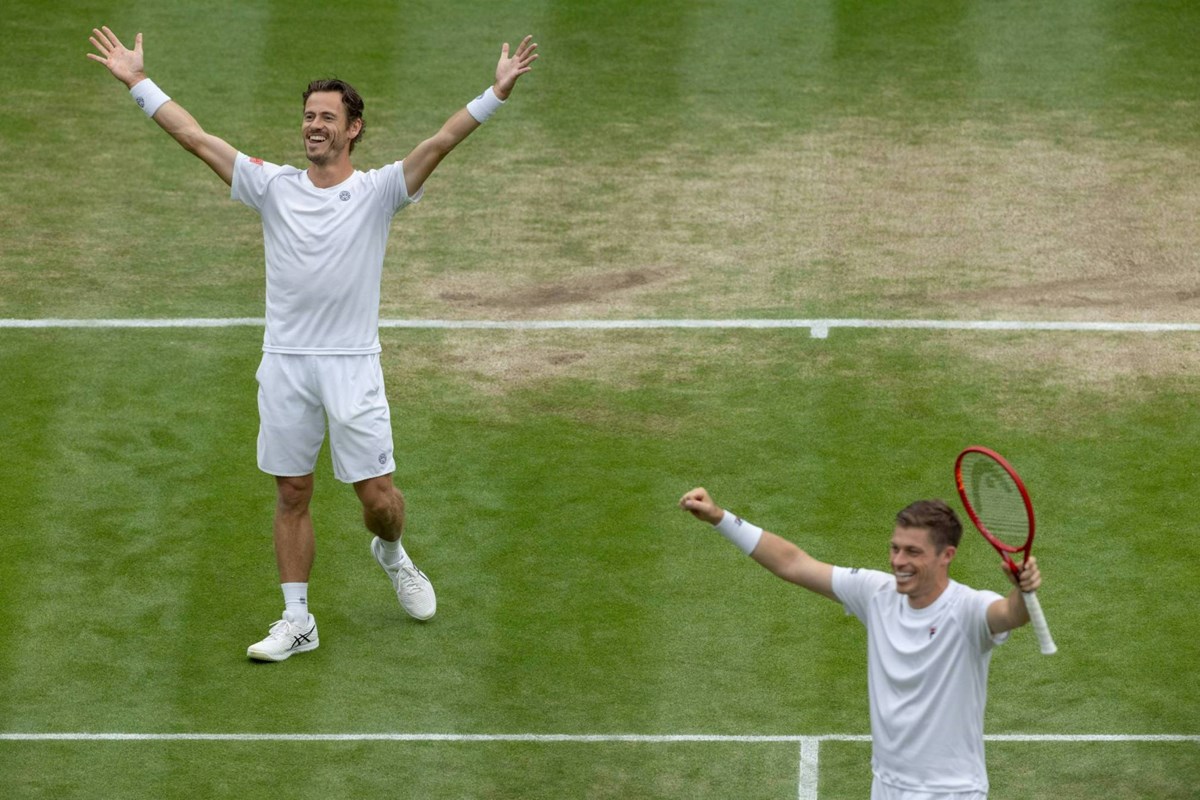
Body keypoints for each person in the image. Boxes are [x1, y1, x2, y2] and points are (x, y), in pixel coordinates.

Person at [88, 26, 538, 662]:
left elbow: (440, 142)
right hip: (286, 365)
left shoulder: (380, 191)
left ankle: (391, 551)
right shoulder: (273, 186)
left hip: (353, 367)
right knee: (292, 492)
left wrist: (494, 94)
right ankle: (298, 618)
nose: (314, 125)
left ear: (353, 128)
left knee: (379, 502)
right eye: (308, 116)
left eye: (327, 117)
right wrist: (138, 81)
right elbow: (194, 137)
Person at [679, 487, 1043, 800]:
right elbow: (793, 563)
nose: (898, 561)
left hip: (951, 791)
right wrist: (719, 517)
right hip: (886, 785)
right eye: (895, 548)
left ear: (946, 555)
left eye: (912, 552)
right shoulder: (876, 593)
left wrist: (1021, 590)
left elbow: (1010, 614)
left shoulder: (968, 608)